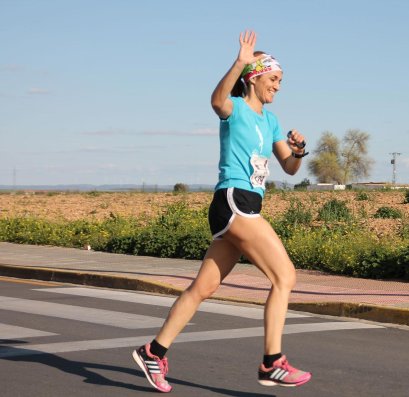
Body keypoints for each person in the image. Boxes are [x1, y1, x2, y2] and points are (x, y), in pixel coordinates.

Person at [132, 30, 312, 393]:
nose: (278, 87)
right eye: (274, 79)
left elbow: (289, 169)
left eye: (280, 81)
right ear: (255, 77)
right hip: (234, 201)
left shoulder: (271, 121)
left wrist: (298, 151)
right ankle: (272, 362)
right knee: (285, 276)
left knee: (203, 287)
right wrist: (239, 62)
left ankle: (154, 351)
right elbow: (216, 100)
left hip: (244, 205)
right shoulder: (235, 109)